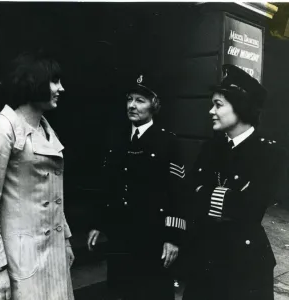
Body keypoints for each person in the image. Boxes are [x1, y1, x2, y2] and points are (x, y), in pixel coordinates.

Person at [182, 64, 288, 300]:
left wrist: (205, 193)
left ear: (241, 107)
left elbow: (249, 208)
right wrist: (223, 196)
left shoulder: (270, 154)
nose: (211, 111)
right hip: (205, 259)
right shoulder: (211, 147)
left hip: (245, 265)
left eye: (218, 105)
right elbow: (188, 194)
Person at [88, 74, 187, 300]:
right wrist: (97, 222)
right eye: (130, 99)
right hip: (120, 235)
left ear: (154, 105)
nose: (132, 105)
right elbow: (108, 185)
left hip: (152, 238)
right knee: (120, 291)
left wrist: (173, 238)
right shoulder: (118, 139)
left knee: (151, 293)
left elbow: (177, 193)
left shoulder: (169, 143)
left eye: (140, 100)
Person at [0, 52, 74, 300]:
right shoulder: (3, 128)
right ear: (33, 82)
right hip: (21, 260)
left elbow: (53, 192)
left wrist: (66, 240)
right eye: (54, 81)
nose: (61, 88)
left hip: (52, 256)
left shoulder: (45, 128)